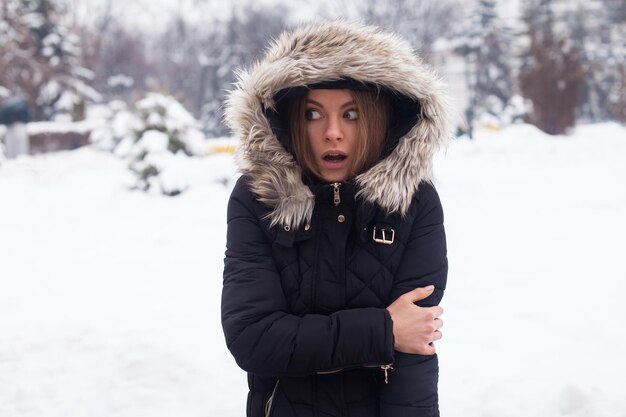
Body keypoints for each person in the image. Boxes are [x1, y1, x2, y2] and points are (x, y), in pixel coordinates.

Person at [222, 21, 452, 417]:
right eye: (313, 114)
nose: (332, 133)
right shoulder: (258, 199)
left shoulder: (413, 202)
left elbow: (414, 348)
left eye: (351, 114)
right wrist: (384, 330)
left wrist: (393, 334)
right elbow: (253, 338)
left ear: (379, 118)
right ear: (291, 119)